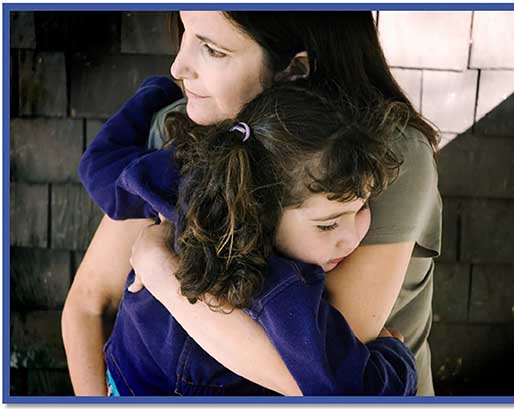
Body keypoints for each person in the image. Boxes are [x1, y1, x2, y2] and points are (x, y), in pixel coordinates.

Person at [62, 11, 442, 396]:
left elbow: (312, 376)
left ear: (294, 70)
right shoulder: (186, 123)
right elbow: (89, 303)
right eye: (185, 31)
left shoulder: (377, 152)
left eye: (212, 50)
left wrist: (159, 267)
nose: (178, 67)